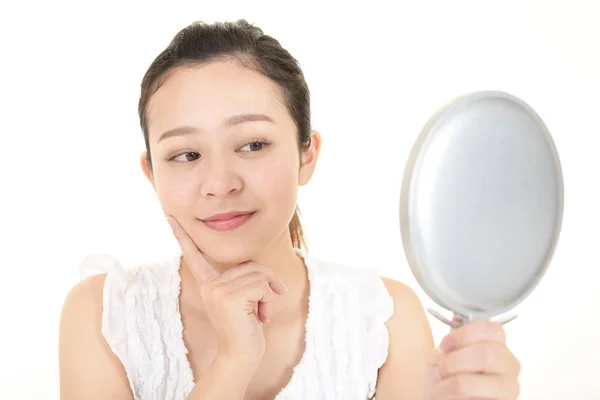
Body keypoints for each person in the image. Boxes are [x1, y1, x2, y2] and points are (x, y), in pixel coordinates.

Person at [58, 19, 521, 400]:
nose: (220, 184)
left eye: (253, 144)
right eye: (186, 154)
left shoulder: (382, 319)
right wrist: (232, 364)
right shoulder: (105, 314)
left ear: (307, 154)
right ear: (151, 173)